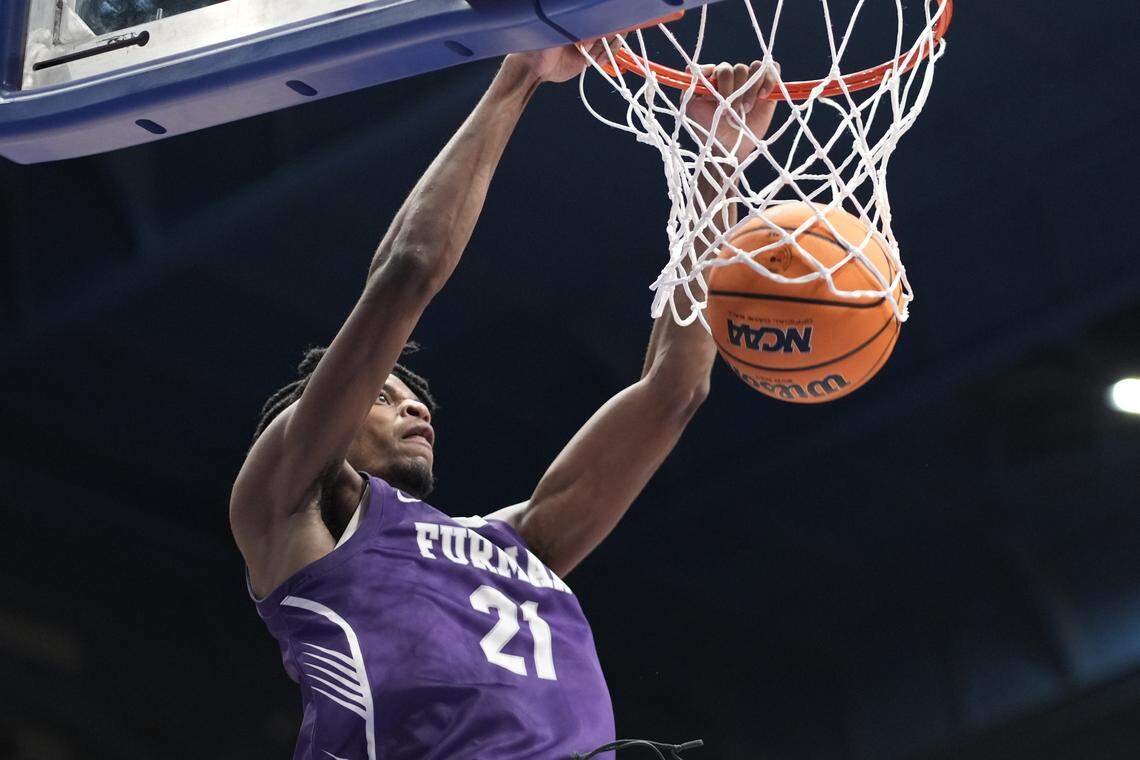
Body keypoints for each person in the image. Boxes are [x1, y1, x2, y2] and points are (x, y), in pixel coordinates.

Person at [229, 37, 780, 760]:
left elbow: (675, 390)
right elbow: (409, 269)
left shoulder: (519, 544)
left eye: (413, 398)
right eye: (385, 396)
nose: (416, 408)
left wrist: (715, 165)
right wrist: (522, 72)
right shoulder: (285, 507)